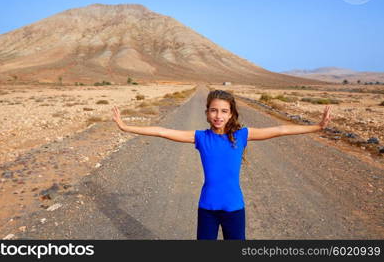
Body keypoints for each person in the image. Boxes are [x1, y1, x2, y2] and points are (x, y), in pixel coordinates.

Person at [111, 89, 332, 240]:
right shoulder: (200, 137)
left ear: (231, 114)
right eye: (214, 110)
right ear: (207, 113)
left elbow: (280, 130)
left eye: (224, 111)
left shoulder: (242, 135)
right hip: (207, 209)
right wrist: (125, 127)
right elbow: (162, 131)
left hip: (234, 209)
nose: (218, 115)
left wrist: (317, 126)